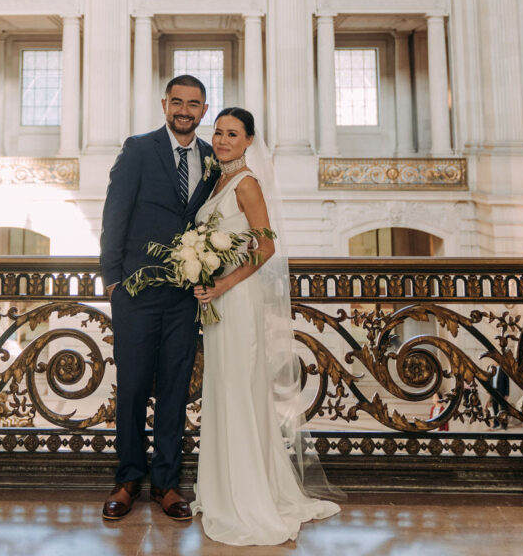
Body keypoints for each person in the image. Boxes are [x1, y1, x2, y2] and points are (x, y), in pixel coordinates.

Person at [192, 106, 341, 546]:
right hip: (217, 301)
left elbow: (267, 246)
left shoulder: (247, 183)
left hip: (237, 299)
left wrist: (223, 283)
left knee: (239, 388)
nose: (222, 140)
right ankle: (222, 488)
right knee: (223, 389)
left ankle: (248, 495)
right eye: (218, 132)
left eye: (232, 134)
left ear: (249, 141)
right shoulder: (217, 180)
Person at [99, 75, 219, 522]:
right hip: (136, 292)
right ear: (165, 104)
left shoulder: (211, 157)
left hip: (185, 298)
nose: (185, 110)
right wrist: (112, 280)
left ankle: (167, 485)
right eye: (178, 102)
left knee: (174, 391)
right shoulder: (139, 149)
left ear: (204, 109)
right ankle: (128, 479)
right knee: (131, 389)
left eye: (194, 103)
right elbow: (115, 214)